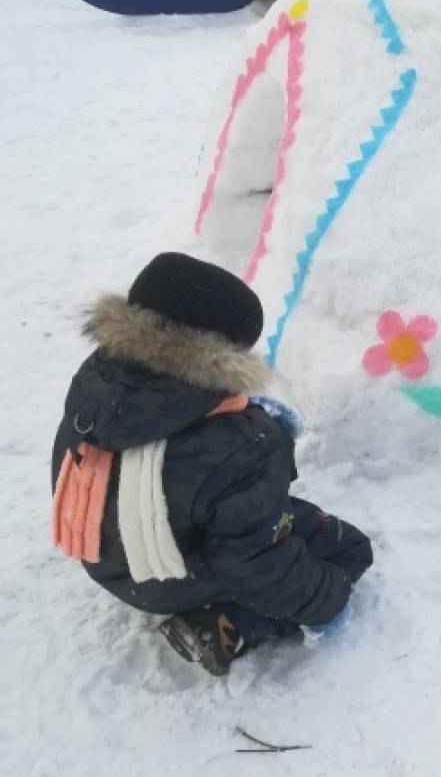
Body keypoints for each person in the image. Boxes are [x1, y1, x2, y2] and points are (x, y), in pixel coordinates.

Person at [50, 252, 372, 674]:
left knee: (245, 516)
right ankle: (233, 622)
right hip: (167, 579)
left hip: (103, 555)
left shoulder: (100, 381)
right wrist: (327, 605)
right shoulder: (245, 445)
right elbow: (256, 564)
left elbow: (167, 426)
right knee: (349, 547)